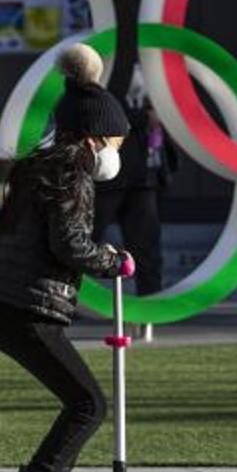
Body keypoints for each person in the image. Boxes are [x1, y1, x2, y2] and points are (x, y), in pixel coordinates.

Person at [0, 43, 133, 472]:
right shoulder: (71, 171)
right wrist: (112, 260)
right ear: (93, 137)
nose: (117, 153)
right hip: (25, 308)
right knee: (88, 404)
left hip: (6, 305)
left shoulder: (37, 165)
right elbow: (70, 244)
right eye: (116, 142)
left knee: (80, 401)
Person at [93, 69, 178, 299]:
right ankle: (66, 295)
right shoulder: (109, 73)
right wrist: (145, 117)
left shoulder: (153, 72)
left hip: (142, 178)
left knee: (146, 247)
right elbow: (104, 113)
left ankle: (150, 302)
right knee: (83, 239)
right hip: (108, 178)